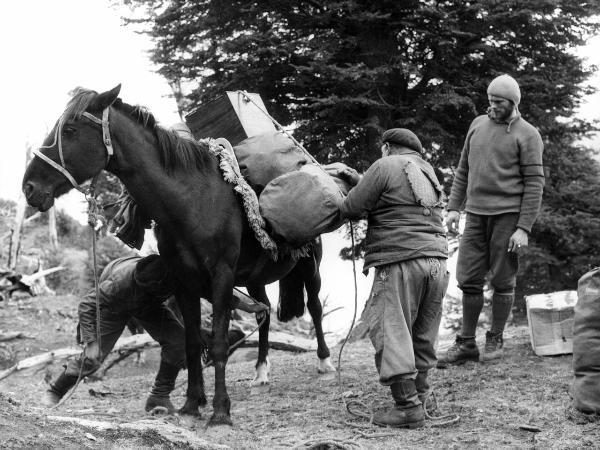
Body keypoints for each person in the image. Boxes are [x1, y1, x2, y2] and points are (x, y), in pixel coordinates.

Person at [41, 254, 265, 412]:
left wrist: (245, 305)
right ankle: (55, 392)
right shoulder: (118, 284)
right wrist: (91, 341)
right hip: (112, 307)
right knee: (93, 359)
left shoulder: (174, 275)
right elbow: (87, 305)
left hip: (148, 307)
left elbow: (208, 290)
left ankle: (159, 396)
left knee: (179, 342)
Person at [338, 128, 449, 429]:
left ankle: (407, 408)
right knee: (423, 334)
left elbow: (351, 207)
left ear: (387, 147)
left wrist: (352, 189)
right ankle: (422, 399)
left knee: (392, 330)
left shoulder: (384, 165)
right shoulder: (428, 171)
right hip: (438, 263)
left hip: (400, 262)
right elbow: (400, 199)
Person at [438, 74, 545, 366]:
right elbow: (463, 169)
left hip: (508, 217)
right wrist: (453, 208)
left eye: (498, 102)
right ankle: (467, 343)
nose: (493, 107)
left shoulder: (528, 134)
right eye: (490, 101)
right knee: (468, 278)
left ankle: (496, 337)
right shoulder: (477, 125)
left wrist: (523, 228)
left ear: (513, 102)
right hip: (475, 215)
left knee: (502, 279)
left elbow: (535, 183)